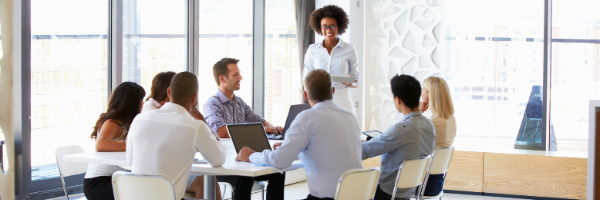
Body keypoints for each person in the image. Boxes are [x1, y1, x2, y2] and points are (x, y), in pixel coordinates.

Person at [235, 69, 363, 200]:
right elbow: (326, 147)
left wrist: (251, 156)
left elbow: (280, 161)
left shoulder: (307, 117)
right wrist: (289, 146)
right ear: (333, 91)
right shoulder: (349, 116)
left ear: (306, 95)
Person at [127, 72, 227, 200]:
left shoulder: (139, 119)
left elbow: (130, 160)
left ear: (169, 92)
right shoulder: (195, 127)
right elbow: (218, 159)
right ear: (194, 98)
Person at [203, 57, 285, 200]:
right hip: (224, 164)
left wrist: (274, 128)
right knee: (244, 178)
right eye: (235, 75)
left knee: (277, 172)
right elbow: (221, 132)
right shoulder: (212, 104)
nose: (240, 77)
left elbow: (260, 121)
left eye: (239, 73)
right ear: (222, 79)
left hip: (243, 160)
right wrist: (259, 130)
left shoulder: (239, 102)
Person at [361, 75, 435, 200]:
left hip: (387, 194)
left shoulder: (401, 129)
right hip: (409, 192)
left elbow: (364, 151)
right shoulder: (429, 125)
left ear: (398, 99)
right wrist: (379, 139)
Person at [83, 82, 145, 200]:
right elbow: (101, 144)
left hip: (117, 178)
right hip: (98, 182)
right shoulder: (113, 122)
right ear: (131, 103)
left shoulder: (129, 123)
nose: (143, 104)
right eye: (141, 100)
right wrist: (133, 146)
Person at [303, 5, 359, 116]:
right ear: (320, 27)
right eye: (325, 26)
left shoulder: (349, 49)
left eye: (332, 26)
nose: (328, 30)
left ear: (338, 27)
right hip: (320, 100)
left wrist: (351, 83)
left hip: (343, 99)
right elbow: (306, 77)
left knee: (347, 131)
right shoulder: (313, 50)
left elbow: (356, 80)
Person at [419, 76, 456, 196]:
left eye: (423, 90)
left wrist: (418, 112)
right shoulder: (451, 120)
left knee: (383, 184)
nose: (421, 93)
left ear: (429, 94)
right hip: (437, 182)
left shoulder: (430, 124)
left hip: (422, 183)